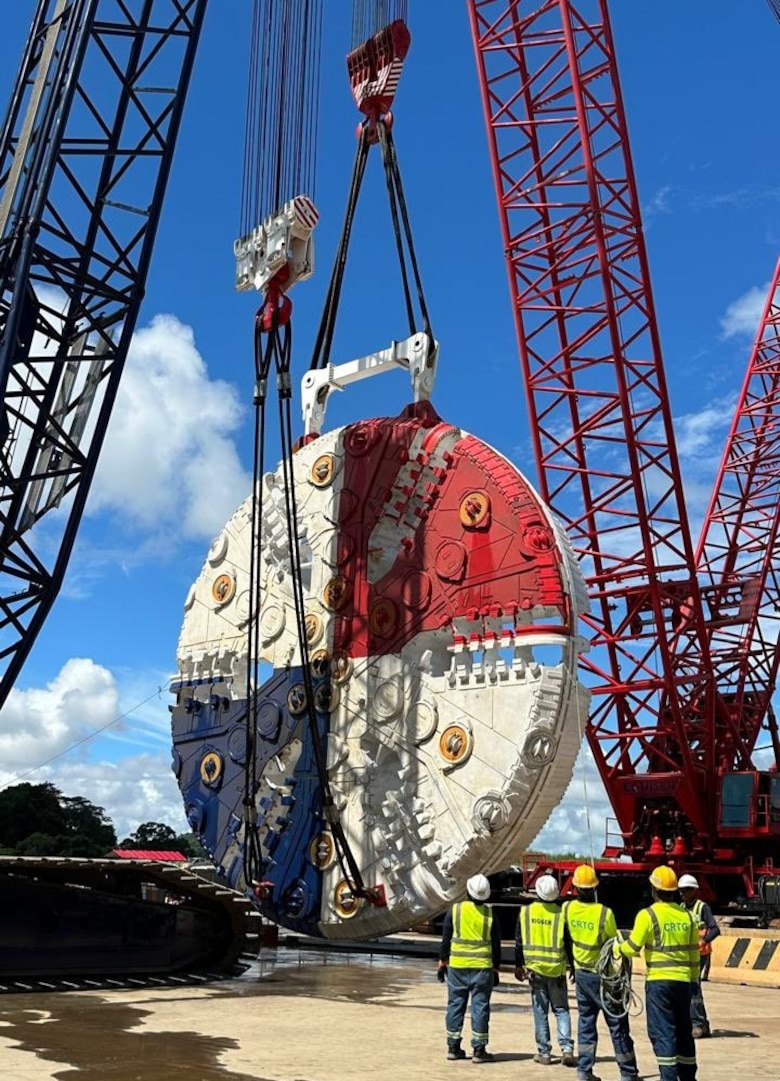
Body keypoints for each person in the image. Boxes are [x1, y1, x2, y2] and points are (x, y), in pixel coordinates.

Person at [618, 866, 699, 1081]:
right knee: (684, 1032)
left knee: (663, 1033)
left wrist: (617, 947)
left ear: (654, 889)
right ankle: (688, 1077)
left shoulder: (647, 915)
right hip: (683, 982)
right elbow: (694, 953)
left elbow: (632, 947)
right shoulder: (688, 916)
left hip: (659, 984)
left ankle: (668, 1077)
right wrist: (694, 981)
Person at [564, 864, 639, 1081]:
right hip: (603, 978)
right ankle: (628, 1073)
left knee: (586, 1024)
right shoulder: (605, 914)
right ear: (595, 888)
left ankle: (584, 1071)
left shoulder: (568, 909)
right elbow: (613, 945)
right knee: (617, 1025)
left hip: (581, 975)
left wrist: (571, 965)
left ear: (575, 888)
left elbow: (566, 938)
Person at [438, 873, 502, 1062]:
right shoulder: (489, 914)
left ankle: (453, 1047)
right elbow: (496, 945)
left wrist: (442, 962)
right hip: (482, 968)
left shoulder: (455, 910)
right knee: (480, 1007)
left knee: (455, 1005)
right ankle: (479, 1050)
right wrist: (496, 969)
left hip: (457, 967)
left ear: (468, 891)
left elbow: (446, 939)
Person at [515, 873, 576, 1067]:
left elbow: (519, 941)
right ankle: (567, 1049)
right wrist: (573, 966)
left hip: (535, 971)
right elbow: (568, 943)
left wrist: (518, 965)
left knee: (540, 1012)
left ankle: (544, 1053)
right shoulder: (561, 914)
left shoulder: (526, 912)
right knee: (561, 1010)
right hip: (556, 970)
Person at [678, 873, 720, 1038]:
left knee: (693, 988)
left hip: (699, 953)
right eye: (680, 890)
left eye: (685, 890)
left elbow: (715, 929)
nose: (682, 893)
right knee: (689, 988)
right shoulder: (680, 908)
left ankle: (697, 1024)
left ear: (693, 890)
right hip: (686, 954)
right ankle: (701, 1024)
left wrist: (704, 941)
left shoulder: (702, 907)